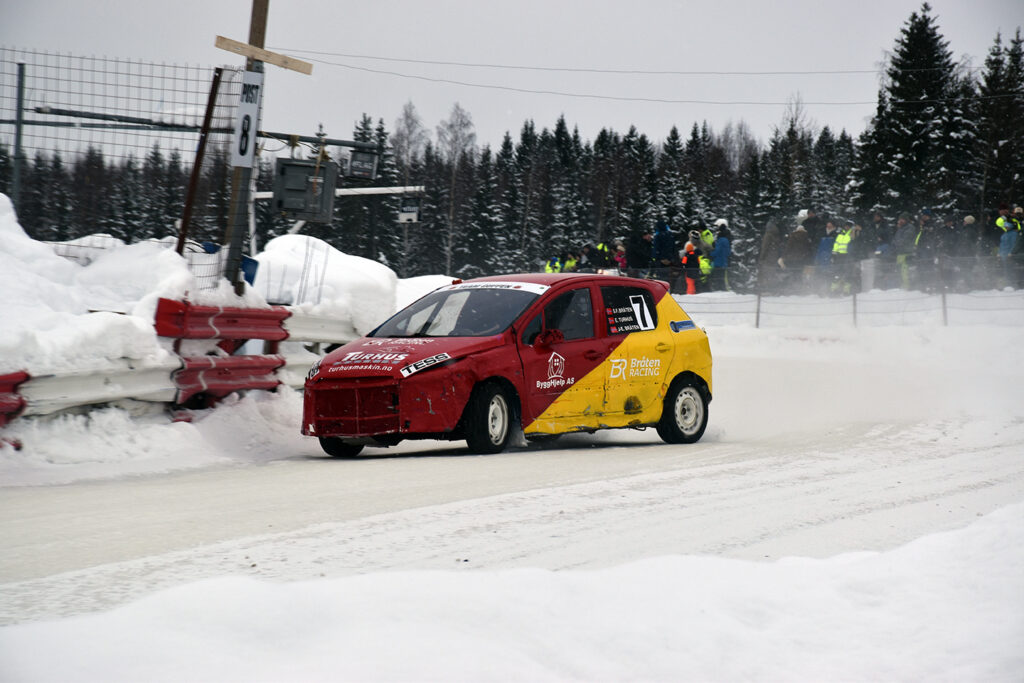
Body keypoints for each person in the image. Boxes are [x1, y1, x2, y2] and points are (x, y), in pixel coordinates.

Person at [779, 221, 813, 292]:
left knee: (793, 273)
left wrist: (783, 256)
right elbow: (808, 250)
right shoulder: (806, 238)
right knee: (799, 273)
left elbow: (788, 248)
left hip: (792, 258)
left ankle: (793, 287)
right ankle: (799, 288)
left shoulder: (793, 236)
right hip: (802, 259)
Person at [892, 213, 917, 289]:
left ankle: (907, 286)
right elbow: (895, 239)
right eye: (899, 219)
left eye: (902, 219)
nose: (900, 221)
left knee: (905, 271)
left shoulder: (910, 228)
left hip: (906, 252)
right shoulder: (900, 228)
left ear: (906, 220)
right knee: (900, 270)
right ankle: (902, 285)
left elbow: (905, 240)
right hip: (900, 253)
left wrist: (897, 243)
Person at [758, 220, 783, 293]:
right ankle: (773, 289)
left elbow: (765, 247)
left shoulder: (768, 235)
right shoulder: (776, 234)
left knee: (766, 273)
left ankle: (766, 290)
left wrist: (761, 257)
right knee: (772, 273)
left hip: (767, 257)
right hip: (774, 256)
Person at [709, 224, 732, 291]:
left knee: (718, 277)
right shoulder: (727, 240)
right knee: (723, 277)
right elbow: (728, 252)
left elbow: (717, 250)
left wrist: (711, 254)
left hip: (718, 262)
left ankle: (719, 290)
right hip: (724, 262)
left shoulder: (720, 240)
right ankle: (723, 290)